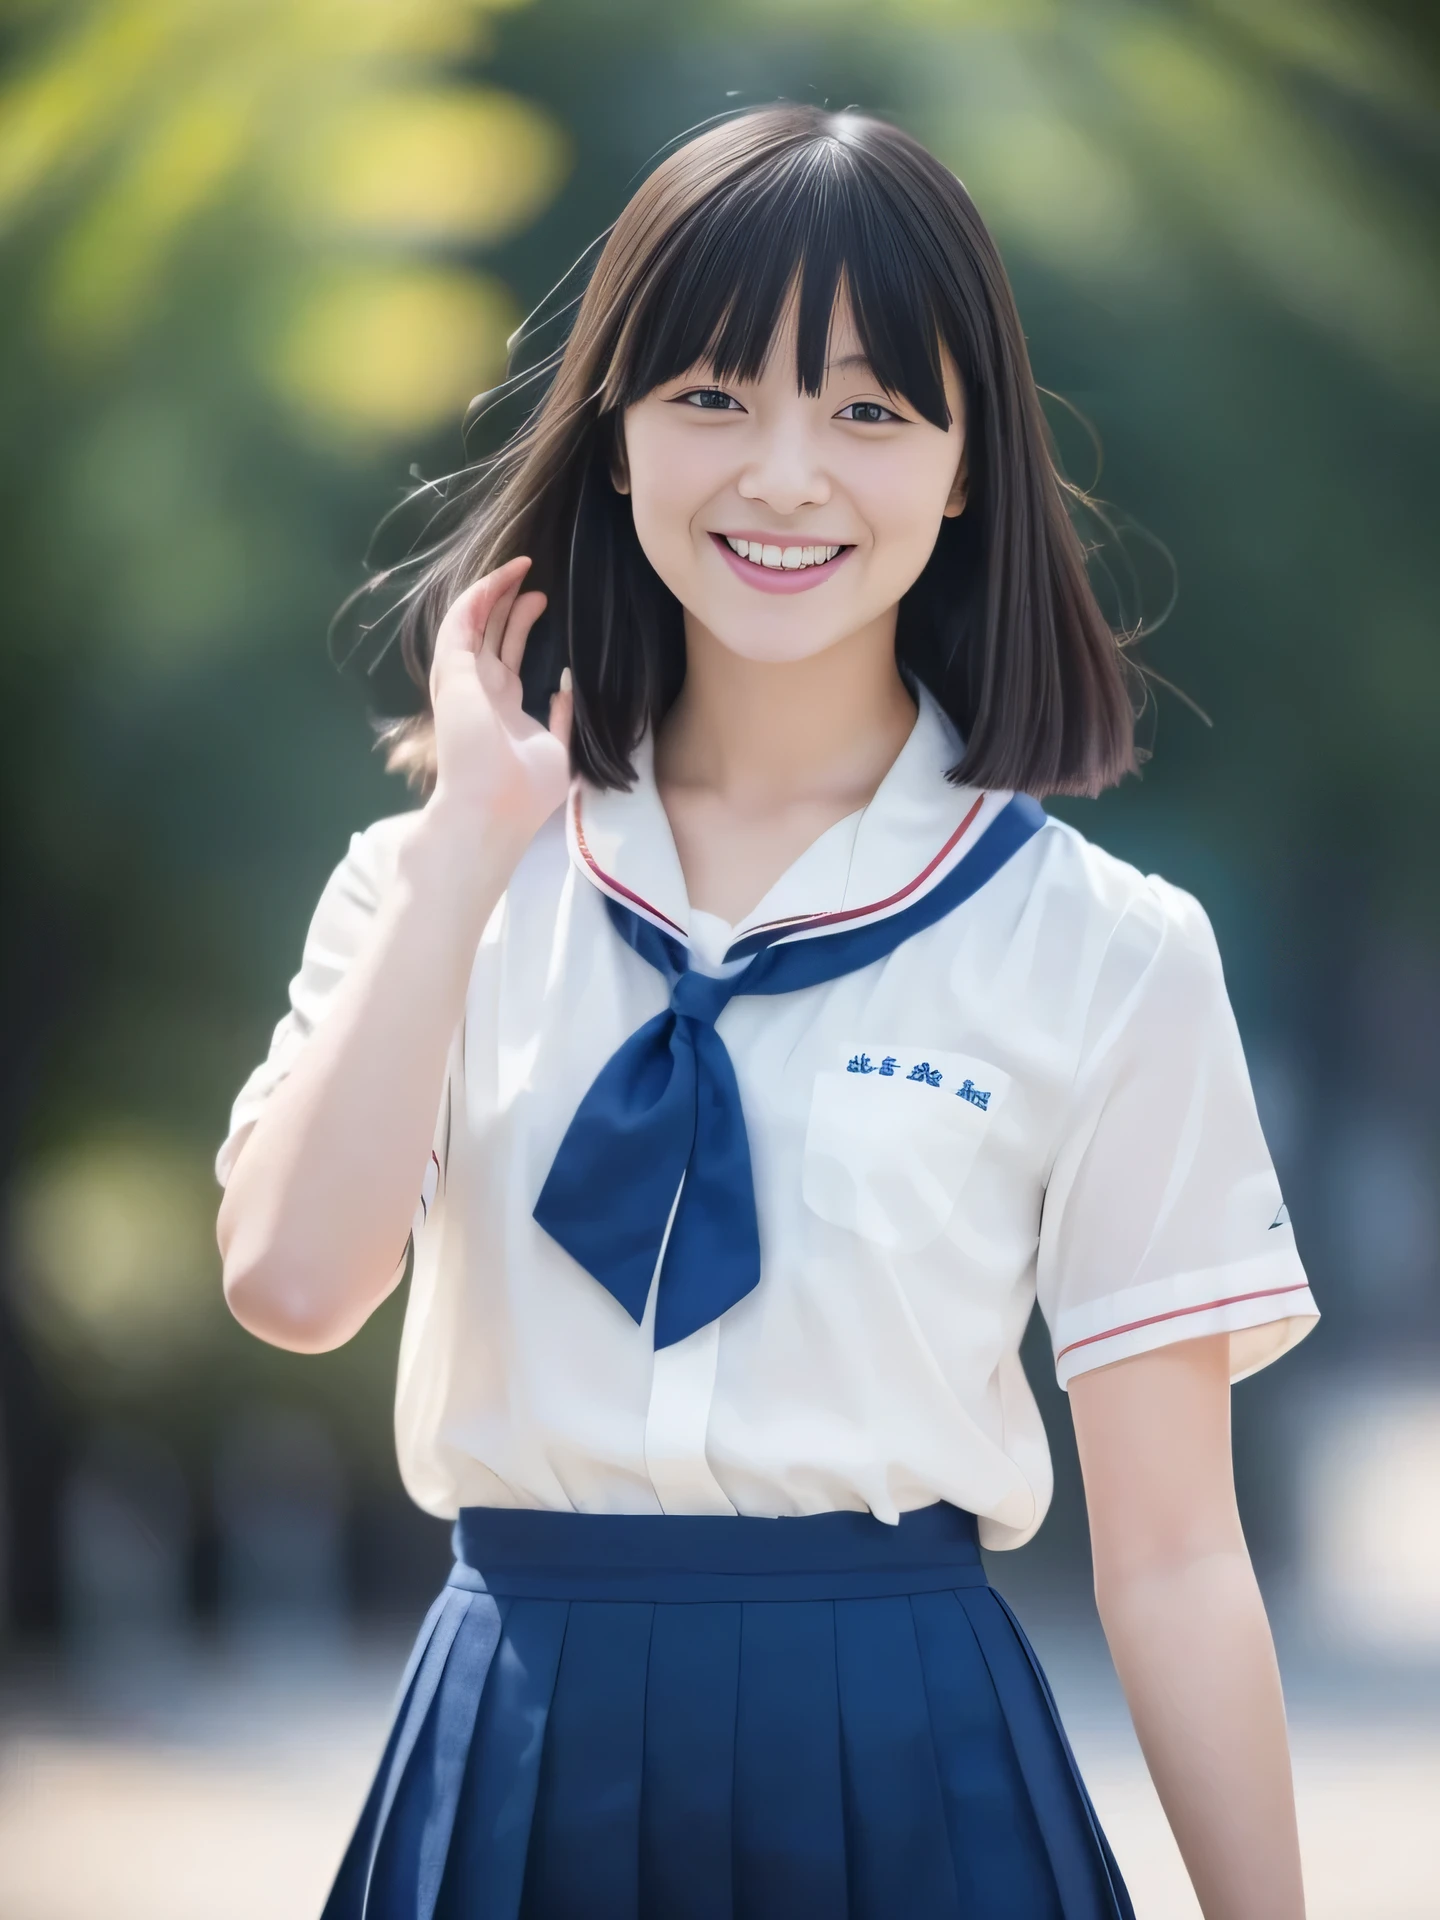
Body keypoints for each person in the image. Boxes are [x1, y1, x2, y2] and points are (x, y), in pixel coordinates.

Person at [215, 106, 1318, 1920]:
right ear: (620, 435)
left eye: (871, 410)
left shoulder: (1103, 949)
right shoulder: (433, 887)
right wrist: (473, 844)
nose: (786, 474)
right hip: (516, 1752)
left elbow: (1182, 1557)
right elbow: (291, 1285)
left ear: (965, 469)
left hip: (915, 1770)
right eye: (715, 396)